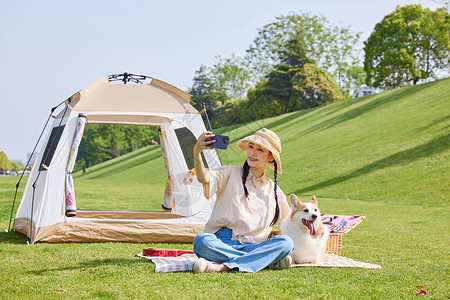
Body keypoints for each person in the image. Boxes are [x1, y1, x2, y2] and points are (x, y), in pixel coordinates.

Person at [192, 128, 294, 273]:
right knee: (201, 241)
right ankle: (262, 261)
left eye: (260, 150)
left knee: (286, 243)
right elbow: (205, 179)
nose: (252, 153)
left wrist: (315, 227)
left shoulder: (275, 191)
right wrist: (197, 153)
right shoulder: (230, 172)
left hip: (254, 245)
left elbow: (290, 222)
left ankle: (223, 267)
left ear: (270, 157)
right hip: (220, 241)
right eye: (251, 147)